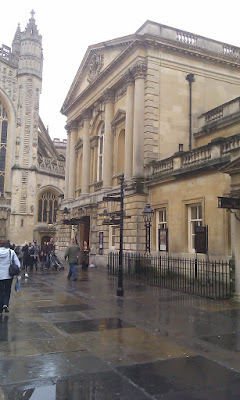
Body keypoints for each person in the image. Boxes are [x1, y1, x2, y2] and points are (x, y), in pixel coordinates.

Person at [0, 239, 21, 313]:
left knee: (0, 291)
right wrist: (18, 272)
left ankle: (0, 307)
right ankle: (5, 304)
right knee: (7, 290)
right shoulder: (11, 252)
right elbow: (17, 263)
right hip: (9, 275)